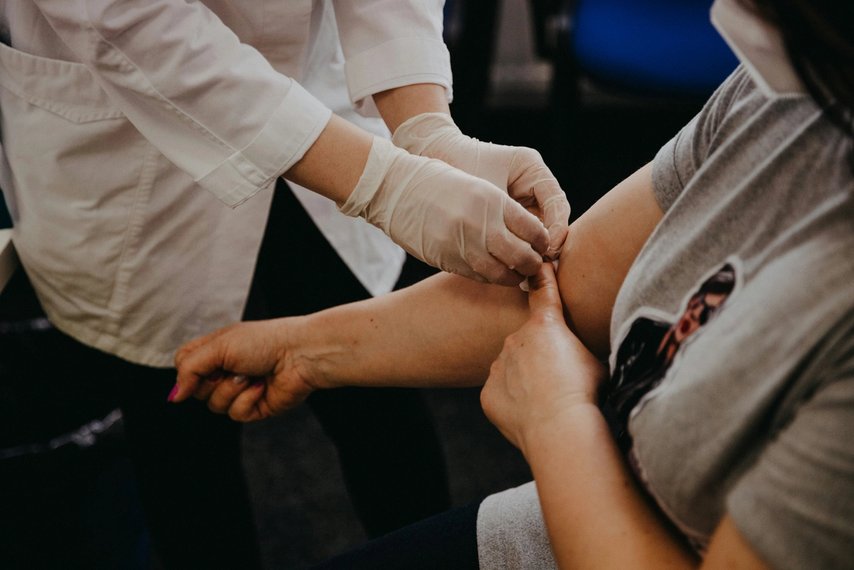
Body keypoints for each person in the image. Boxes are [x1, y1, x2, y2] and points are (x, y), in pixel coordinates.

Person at [173, 0, 854, 567]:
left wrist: (556, 420)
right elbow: (567, 286)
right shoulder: (786, 94)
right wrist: (303, 348)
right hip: (578, 509)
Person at [0, 1, 571, 568]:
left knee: (381, 395)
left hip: (319, 90)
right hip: (134, 123)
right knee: (182, 436)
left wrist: (425, 128)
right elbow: (126, 16)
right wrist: (382, 183)